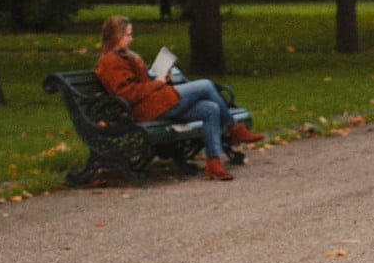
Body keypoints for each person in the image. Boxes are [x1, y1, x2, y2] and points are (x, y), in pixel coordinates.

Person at [92, 15, 262, 180]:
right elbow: (127, 94)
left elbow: (139, 83)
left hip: (157, 103)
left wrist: (158, 78)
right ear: (116, 36)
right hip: (147, 110)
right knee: (205, 85)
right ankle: (234, 128)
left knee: (211, 109)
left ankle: (214, 163)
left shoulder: (124, 56)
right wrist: (157, 83)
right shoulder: (109, 62)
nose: (131, 39)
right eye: (128, 35)